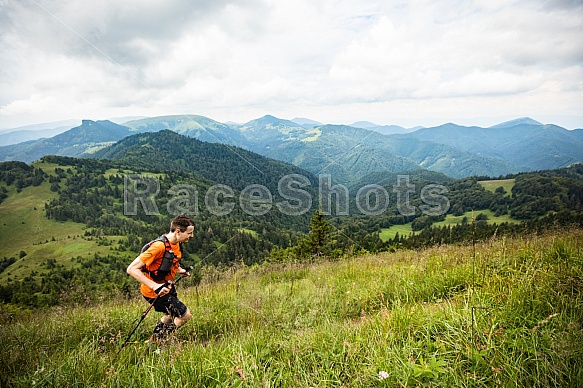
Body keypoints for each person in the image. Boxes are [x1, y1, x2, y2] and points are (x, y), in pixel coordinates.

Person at [126, 215, 195, 345]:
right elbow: (131, 269)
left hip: (167, 287)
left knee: (168, 315)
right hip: (154, 292)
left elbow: (169, 261)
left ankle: (153, 342)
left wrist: (180, 270)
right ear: (178, 232)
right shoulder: (158, 247)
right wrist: (155, 286)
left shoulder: (176, 243)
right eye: (189, 233)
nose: (191, 236)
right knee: (185, 316)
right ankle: (160, 341)